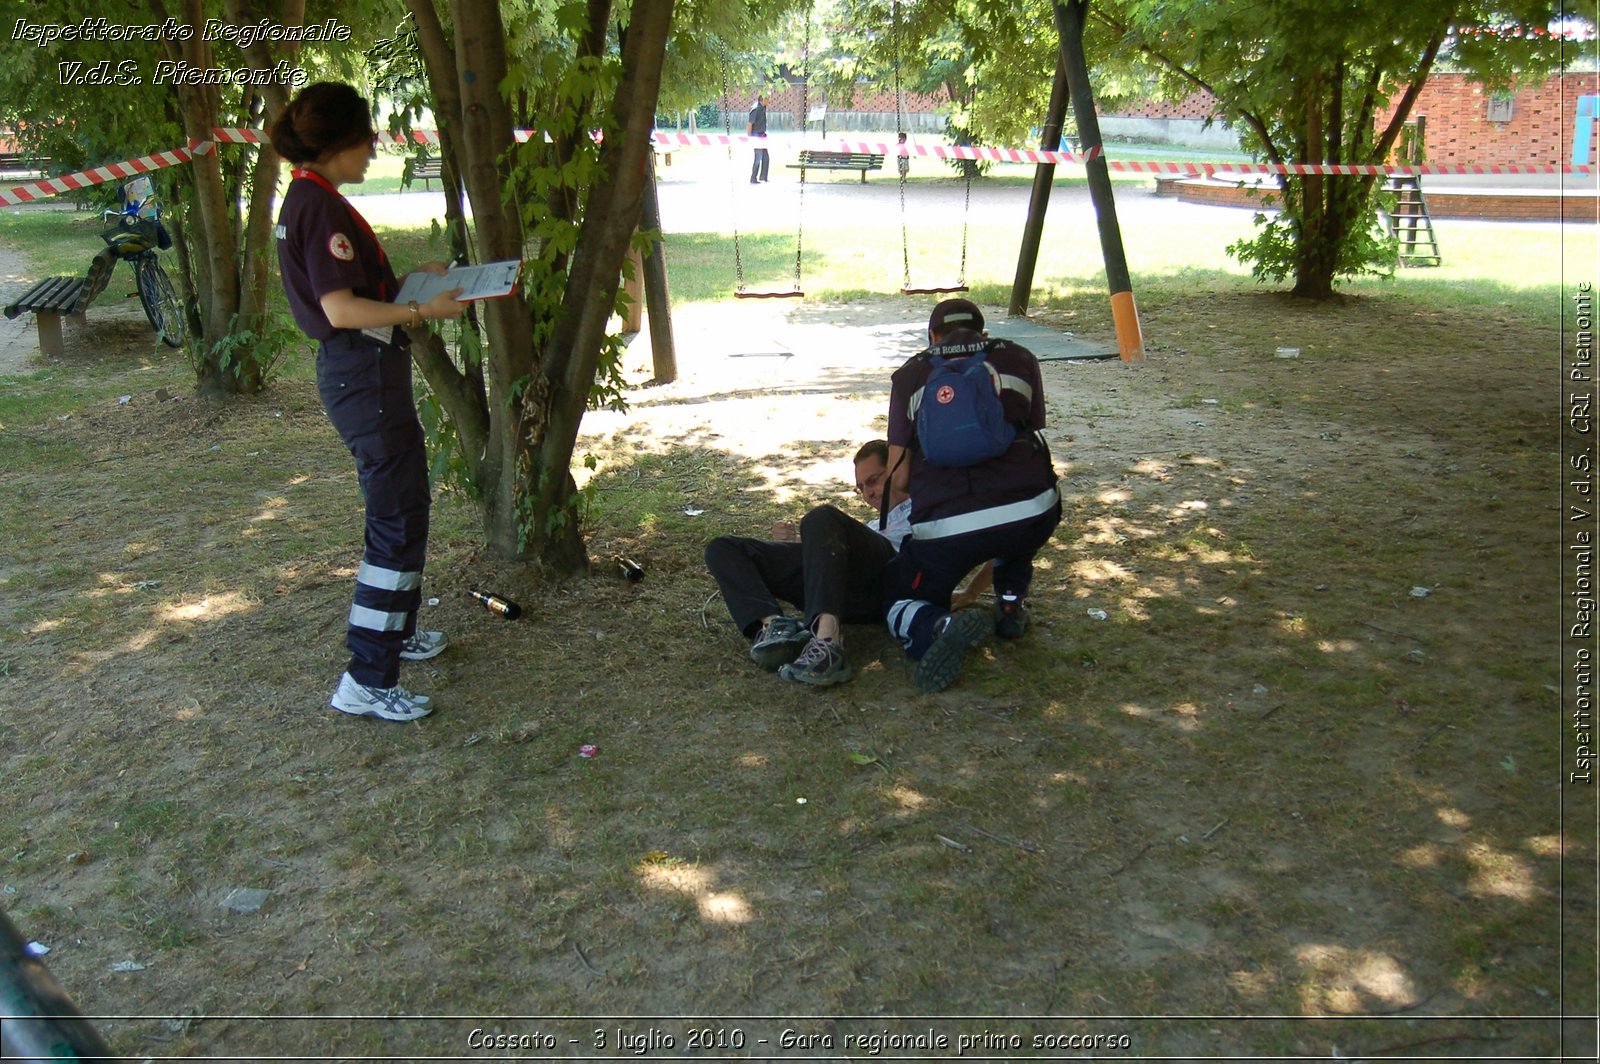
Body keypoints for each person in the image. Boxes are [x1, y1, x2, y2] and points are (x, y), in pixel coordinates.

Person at [270, 82, 466, 722]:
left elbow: (356, 289)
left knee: (405, 505)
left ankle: (397, 631)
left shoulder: (312, 197)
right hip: (363, 376)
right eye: (366, 137)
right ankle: (367, 675)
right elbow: (341, 308)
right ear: (338, 143)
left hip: (367, 374)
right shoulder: (318, 207)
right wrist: (420, 308)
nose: (374, 147)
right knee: (396, 519)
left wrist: (415, 283)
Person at [884, 298, 1062, 693]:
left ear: (932, 337)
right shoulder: (1018, 357)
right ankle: (1011, 603)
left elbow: (898, 480)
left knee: (898, 597)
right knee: (1015, 535)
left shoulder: (911, 375)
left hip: (946, 529)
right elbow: (1032, 429)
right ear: (983, 334)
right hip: (1030, 511)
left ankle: (938, 624)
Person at [704, 442, 990, 687]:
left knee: (819, 517)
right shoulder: (871, 525)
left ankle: (827, 642)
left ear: (898, 470)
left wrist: (971, 593)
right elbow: (829, 559)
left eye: (874, 480)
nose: (868, 493)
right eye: (861, 488)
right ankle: (773, 629)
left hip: (891, 577)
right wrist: (796, 548)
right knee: (723, 549)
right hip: (843, 593)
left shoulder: (928, 508)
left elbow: (1000, 543)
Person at [748, 94, 770, 184]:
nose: (769, 101)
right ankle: (753, 178)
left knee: (765, 157)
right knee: (758, 157)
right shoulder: (755, 109)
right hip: (756, 136)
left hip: (762, 135)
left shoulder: (763, 108)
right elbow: (750, 124)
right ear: (763, 99)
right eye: (767, 99)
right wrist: (750, 138)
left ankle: (763, 177)